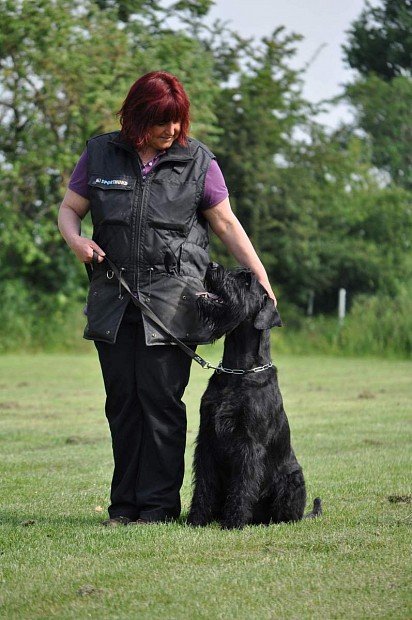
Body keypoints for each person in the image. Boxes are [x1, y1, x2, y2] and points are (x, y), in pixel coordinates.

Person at [58, 71, 277, 526]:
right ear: (137, 117)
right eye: (162, 121)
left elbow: (226, 225)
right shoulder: (99, 153)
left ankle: (156, 509)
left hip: (173, 306)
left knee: (160, 405)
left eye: (178, 121)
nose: (172, 131)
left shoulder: (198, 161)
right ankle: (123, 508)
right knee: (122, 405)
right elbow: (69, 211)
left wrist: (261, 281)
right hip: (114, 302)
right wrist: (75, 240)